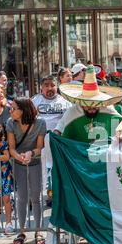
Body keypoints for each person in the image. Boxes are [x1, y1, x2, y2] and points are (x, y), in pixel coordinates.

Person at [7, 97, 47, 244]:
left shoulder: (40, 122)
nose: (10, 111)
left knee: (36, 197)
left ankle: (38, 230)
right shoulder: (10, 123)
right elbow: (11, 148)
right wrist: (19, 157)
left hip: (35, 161)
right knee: (21, 197)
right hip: (18, 163)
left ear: (23, 110)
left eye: (13, 108)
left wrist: (30, 153)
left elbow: (40, 146)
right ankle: (21, 231)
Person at [54, 65, 122, 144]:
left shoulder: (108, 109)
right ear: (81, 102)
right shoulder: (72, 112)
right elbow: (59, 128)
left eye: (95, 104)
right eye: (88, 104)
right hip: (78, 153)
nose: (92, 108)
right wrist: (54, 136)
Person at [32, 75, 72, 207]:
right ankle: (34, 197)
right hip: (38, 142)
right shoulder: (34, 101)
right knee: (38, 169)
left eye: (52, 85)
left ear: (57, 86)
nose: (50, 88)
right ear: (41, 88)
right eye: (46, 85)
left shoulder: (65, 102)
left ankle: (53, 195)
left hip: (57, 142)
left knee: (54, 169)